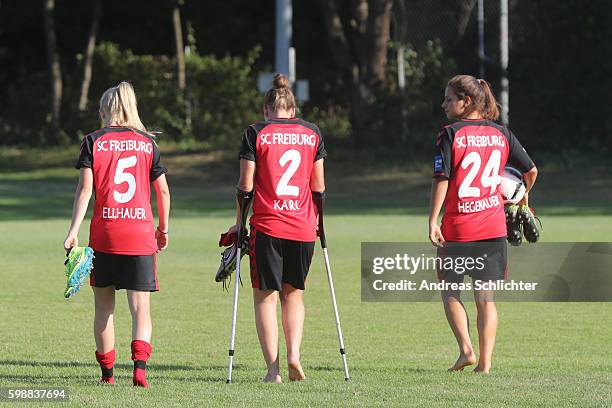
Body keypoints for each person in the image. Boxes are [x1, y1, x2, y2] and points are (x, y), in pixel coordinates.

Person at [63, 82, 170, 387]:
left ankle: (107, 375)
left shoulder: (92, 141)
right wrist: (163, 228)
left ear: (105, 110)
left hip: (106, 234)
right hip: (139, 234)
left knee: (104, 308)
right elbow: (162, 190)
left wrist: (73, 231)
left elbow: (85, 190)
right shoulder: (148, 143)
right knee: (140, 309)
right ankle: (139, 370)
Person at [428, 74, 538, 373]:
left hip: (459, 227)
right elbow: (530, 171)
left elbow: (442, 178)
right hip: (493, 228)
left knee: (450, 290)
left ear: (467, 102)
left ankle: (466, 351)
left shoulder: (449, 133)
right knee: (486, 299)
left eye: (449, 99)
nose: (444, 104)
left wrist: (432, 220)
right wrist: (520, 200)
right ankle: (486, 364)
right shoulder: (501, 133)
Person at [227, 73, 326, 383]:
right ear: (293, 111)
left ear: (265, 109)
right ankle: (295, 354)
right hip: (303, 226)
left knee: (265, 297)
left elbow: (245, 186)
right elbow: (319, 186)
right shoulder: (312, 133)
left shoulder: (255, 133)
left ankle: (274, 370)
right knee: (293, 294)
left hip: (268, 226)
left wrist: (238, 222)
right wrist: (318, 223)